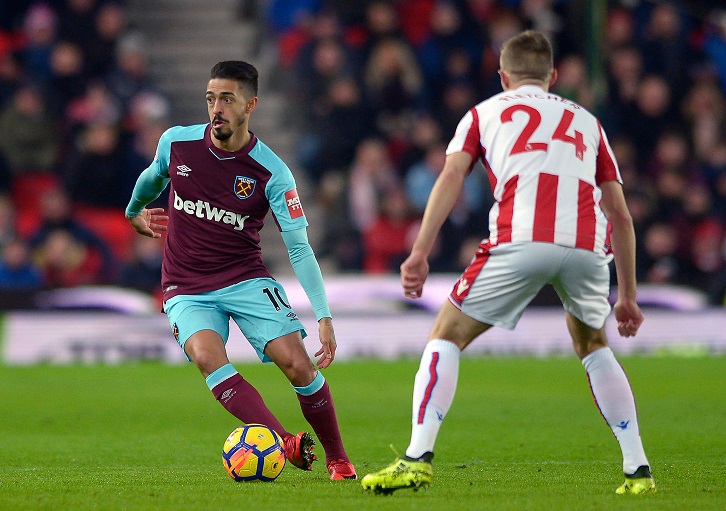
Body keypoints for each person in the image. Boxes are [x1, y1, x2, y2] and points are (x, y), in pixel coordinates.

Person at [361, 30, 655, 495]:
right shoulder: (587, 121)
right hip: (585, 246)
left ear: (503, 77)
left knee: (447, 335)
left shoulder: (483, 113)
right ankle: (638, 469)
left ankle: (417, 457)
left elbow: (451, 176)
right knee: (594, 344)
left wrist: (419, 250)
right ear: (553, 77)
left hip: (520, 240)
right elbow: (620, 212)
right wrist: (630, 296)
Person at [125, 60, 356, 480]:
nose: (216, 108)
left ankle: (338, 458)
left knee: (299, 366)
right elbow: (152, 176)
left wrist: (323, 317)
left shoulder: (272, 172)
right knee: (207, 357)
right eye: (211, 98)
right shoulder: (177, 143)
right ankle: (283, 440)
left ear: (250, 105)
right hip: (186, 285)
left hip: (245, 279)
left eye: (227, 99)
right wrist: (134, 210)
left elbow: (300, 250)